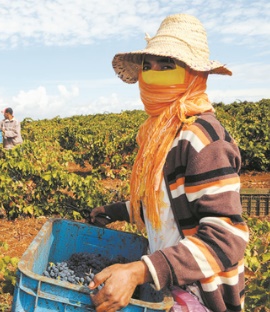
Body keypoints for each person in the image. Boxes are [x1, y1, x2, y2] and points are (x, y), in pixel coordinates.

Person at [88, 14, 248, 312]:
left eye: (167, 67)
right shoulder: (162, 133)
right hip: (169, 287)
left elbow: (227, 238)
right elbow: (166, 203)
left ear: (194, 75)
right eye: (148, 67)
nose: (153, 75)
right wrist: (115, 211)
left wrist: (140, 270)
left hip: (200, 295)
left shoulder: (201, 138)